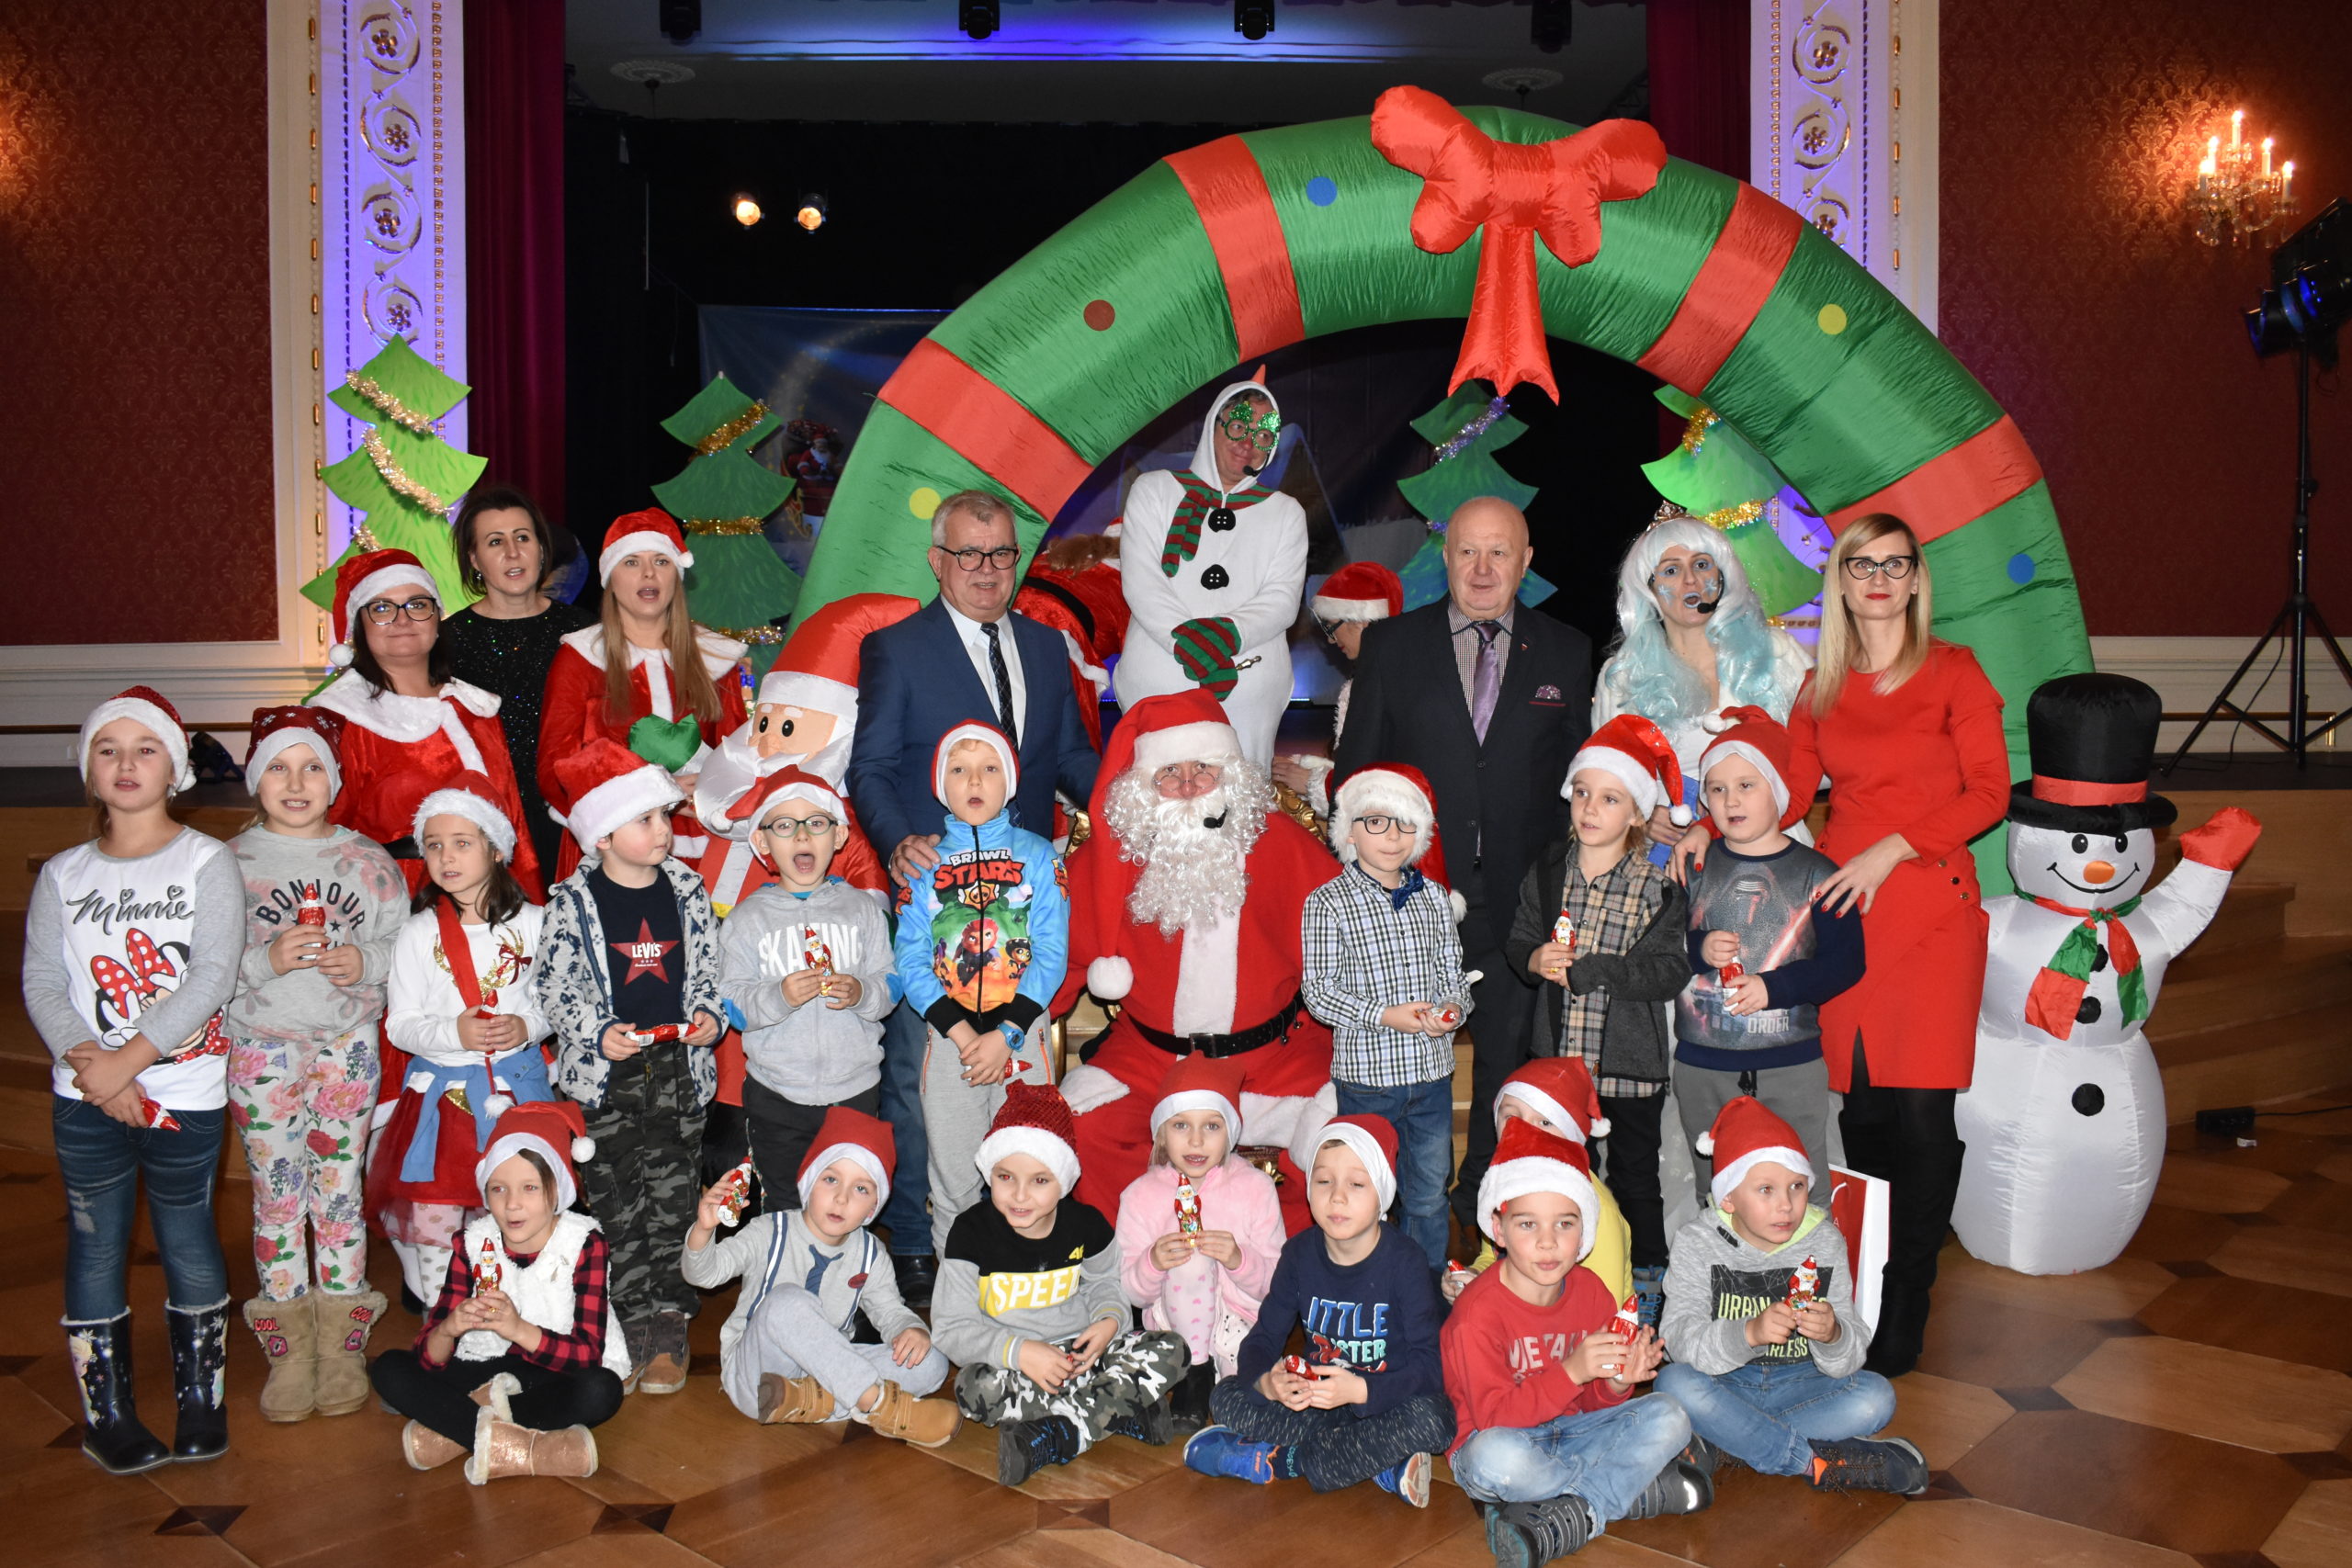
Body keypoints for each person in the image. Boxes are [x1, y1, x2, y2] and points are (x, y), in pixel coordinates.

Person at [1676, 515, 2007, 1376]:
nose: (1879, 579)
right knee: (1861, 1114)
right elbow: (1784, 793)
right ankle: (1865, 1287)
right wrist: (1711, 825)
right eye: (1862, 564)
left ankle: (1909, 1297)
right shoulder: (1821, 687)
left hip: (1931, 907)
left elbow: (1991, 792)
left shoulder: (1955, 671)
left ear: (1916, 577)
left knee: (1923, 1114)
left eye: (1896, 564)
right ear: (1843, 580)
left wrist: (1894, 847)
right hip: (1845, 911)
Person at [851, 488, 1102, 1305]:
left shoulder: (1047, 646)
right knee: (918, 1080)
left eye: (1001, 554)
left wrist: (1128, 801)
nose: (988, 570)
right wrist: (899, 840)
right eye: (969, 554)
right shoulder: (897, 649)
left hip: (1027, 907)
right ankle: (918, 1244)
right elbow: (871, 767)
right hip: (938, 905)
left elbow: (1070, 756)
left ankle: (1019, 1242)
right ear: (938, 560)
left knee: (1017, 1082)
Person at [1331, 496, 1592, 1240]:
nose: (1482, 569)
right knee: (1405, 1069)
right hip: (1410, 904)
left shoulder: (1567, 651)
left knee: (1505, 1066)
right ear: (1445, 558)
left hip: (1519, 908)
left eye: (1499, 552)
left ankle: (1481, 1208)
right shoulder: (1391, 645)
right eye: (1468, 552)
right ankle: (1396, 1220)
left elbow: (1579, 782)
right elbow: (1355, 778)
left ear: (1525, 561)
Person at [25, 688, 241, 1472]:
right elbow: (44, 982)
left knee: (188, 1235)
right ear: (88, 770)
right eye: (107, 748)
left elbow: (211, 974)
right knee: (94, 1244)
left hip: (184, 1095)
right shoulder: (63, 872)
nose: (125, 762)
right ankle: (106, 1414)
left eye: (145, 748)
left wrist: (130, 1060)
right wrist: (97, 1068)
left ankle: (201, 1400)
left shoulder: (207, 861)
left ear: (175, 768)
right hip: (86, 1096)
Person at [1055, 691, 1339, 1235]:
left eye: (1203, 769)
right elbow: (1059, 960)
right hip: (1149, 1060)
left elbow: (1344, 944)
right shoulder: (1113, 857)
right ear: (1144, 787)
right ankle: (1135, 1264)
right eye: (1169, 773)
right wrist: (1009, 1027)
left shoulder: (1282, 843)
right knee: (1082, 1128)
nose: (1188, 786)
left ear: (1229, 774)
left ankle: (1281, 1270)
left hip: (1272, 1057)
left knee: (1333, 1137)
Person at [225, 705, 405, 1422]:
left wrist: (366, 961)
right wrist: (263, 960)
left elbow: (403, 947)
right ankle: (290, 1349)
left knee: (337, 1194)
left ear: (334, 781)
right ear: (254, 779)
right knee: (277, 1196)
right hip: (261, 1047)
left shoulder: (369, 862)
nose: (295, 782)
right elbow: (204, 964)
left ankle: (341, 1342)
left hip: (345, 1045)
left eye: (311, 768)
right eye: (278, 766)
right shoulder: (227, 863)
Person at [537, 739, 726, 1396]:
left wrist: (707, 1014)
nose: (663, 830)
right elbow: (553, 985)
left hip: (677, 1072)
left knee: (672, 1198)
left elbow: (709, 969)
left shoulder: (688, 889)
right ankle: (629, 1313)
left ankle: (668, 1317)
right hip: (607, 1080)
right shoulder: (572, 901)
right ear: (603, 835)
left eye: (665, 815)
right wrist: (594, 1032)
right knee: (618, 1199)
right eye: (645, 819)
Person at [1443, 1119, 1711, 1564]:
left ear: (1583, 1231)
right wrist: (1572, 1370)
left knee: (1670, 1415)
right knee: (1497, 1458)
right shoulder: (1476, 1313)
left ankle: (1574, 1510)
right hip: (1496, 1442)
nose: (1548, 1242)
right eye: (1527, 1224)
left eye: (1564, 1224)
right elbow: (1493, 1420)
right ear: (1499, 1228)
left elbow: (1590, 1404)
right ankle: (1627, 1491)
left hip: (1570, 1435)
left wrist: (1618, 1382)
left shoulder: (1591, 1293)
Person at [1505, 715, 1694, 1328]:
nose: (1591, 808)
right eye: (1582, 792)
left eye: (1610, 798)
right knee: (1563, 1178)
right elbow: (1519, 939)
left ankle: (1648, 1289)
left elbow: (1669, 971)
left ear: (1637, 813)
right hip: (1559, 1070)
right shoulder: (1548, 871)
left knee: (1636, 1179)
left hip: (1629, 1071)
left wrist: (1601, 971)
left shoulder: (1657, 888)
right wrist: (1533, 958)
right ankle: (1571, 1287)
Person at [1657, 1097, 1928, 1495]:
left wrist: (1834, 1335)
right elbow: (1678, 1339)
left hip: (1802, 1383)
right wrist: (1748, 1333)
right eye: (1766, 1190)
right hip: (1723, 1383)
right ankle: (1813, 1462)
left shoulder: (1825, 1241)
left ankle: (1725, 1443)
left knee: (1875, 1397)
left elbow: (1851, 1356)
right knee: (1673, 1383)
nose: (1785, 1205)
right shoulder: (1696, 1242)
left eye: (1797, 1187)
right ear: (1729, 1197)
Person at [1182, 1116, 1454, 1506]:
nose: (1337, 1197)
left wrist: (1362, 1390)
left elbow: (1430, 1368)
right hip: (1316, 1403)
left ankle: (1282, 1461)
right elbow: (1262, 1340)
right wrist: (1267, 1383)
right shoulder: (1298, 1255)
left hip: (1384, 1403)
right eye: (1324, 1181)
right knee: (1225, 1395)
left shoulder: (1405, 1261)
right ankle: (1378, 1462)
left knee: (1436, 1420)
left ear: (1382, 1193)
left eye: (1356, 1184)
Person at [932, 1084, 1190, 1485]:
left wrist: (1109, 1322)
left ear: (1064, 1181)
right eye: (1005, 1177)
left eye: (1039, 1180)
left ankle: (1061, 1434)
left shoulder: (1087, 1224)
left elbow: (1106, 1285)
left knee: (1173, 1350)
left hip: (1086, 1357)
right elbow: (951, 1329)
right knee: (972, 1388)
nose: (1020, 1195)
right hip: (1017, 1367)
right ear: (989, 1173)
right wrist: (1020, 1352)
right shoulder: (969, 1233)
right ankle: (1116, 1409)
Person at [367, 773, 554, 1311]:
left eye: (462, 843)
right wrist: (454, 1032)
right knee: (436, 1219)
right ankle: (443, 1318)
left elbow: (556, 1002)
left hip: (517, 1098)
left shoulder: (538, 924)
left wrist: (528, 1027)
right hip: (441, 1107)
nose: (446, 857)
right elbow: (401, 1024)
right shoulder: (418, 932)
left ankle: (512, 1320)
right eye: (433, 845)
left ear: (496, 850)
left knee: (513, 1217)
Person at [369, 1100, 628, 1483]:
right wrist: (448, 1329)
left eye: (529, 1188)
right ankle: (526, 1449)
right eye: (498, 1189)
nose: (512, 1204)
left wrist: (517, 1329)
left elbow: (586, 1356)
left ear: (557, 1190)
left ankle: (458, 1429)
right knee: (388, 1367)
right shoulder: (473, 1242)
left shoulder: (584, 1243)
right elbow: (427, 1357)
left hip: (549, 1372)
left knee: (600, 1390)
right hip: (481, 1368)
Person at [682, 1105, 956, 1442]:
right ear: (809, 1183)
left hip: (827, 1372)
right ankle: (877, 1404)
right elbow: (703, 1275)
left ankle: (812, 1401)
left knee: (931, 1362)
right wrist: (703, 1230)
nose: (841, 1198)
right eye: (830, 1180)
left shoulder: (871, 1253)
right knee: (787, 1300)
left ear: (873, 1208)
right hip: (757, 1376)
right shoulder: (770, 1230)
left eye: (861, 1189)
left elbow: (889, 1311)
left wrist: (910, 1329)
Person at [1675, 706, 1862, 1193]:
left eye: (1746, 785)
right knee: (1716, 1188)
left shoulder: (1819, 873)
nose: (1731, 800)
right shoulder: (1691, 868)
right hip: (1702, 1063)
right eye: (1717, 789)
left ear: (1777, 790)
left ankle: (1812, 1248)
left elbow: (1846, 962)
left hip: (1791, 1064)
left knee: (1802, 1183)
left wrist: (1775, 988)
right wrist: (1697, 948)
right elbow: (1655, 948)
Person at [896, 722, 1069, 1254]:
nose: (974, 780)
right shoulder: (923, 865)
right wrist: (964, 1035)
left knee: (1029, 1169)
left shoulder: (1039, 856)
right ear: (940, 785)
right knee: (954, 1179)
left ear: (1009, 783)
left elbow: (1052, 951)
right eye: (959, 769)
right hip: (952, 1042)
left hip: (1023, 1036)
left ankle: (1028, 1279)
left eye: (989, 768)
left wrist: (1007, 1033)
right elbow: (910, 959)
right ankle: (957, 1293)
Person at [1299, 763, 1475, 1272]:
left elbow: (1453, 976)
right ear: (1349, 832)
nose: (1392, 837)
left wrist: (1452, 1010)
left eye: (1405, 824)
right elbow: (1319, 994)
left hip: (1431, 1076)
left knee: (1429, 1193)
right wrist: (1384, 1015)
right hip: (1368, 1081)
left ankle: (1422, 1288)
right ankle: (1367, 1285)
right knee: (1364, 1193)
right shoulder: (1328, 903)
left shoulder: (1435, 899)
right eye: (1376, 822)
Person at [311, 547, 544, 897]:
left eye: (418, 605)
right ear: (360, 626)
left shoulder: (476, 708)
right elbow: (320, 836)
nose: (402, 619)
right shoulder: (339, 718)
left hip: (489, 904)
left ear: (437, 619)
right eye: (381, 608)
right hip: (389, 903)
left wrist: (528, 907)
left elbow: (515, 826)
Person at [715, 766, 896, 1202]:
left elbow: (890, 985)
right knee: (784, 1201)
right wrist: (778, 996)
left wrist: (861, 993)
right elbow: (733, 1003)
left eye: (816, 823)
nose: (801, 835)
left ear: (839, 836)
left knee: (847, 1202)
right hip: (776, 1093)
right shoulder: (746, 919)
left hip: (854, 1089)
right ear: (762, 842)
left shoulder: (863, 910)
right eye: (784, 825)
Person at [538, 508, 748, 881]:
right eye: (632, 562)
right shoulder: (580, 658)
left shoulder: (717, 657)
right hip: (611, 853)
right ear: (610, 578)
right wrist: (659, 792)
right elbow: (555, 770)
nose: (648, 573)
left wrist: (709, 794)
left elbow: (740, 757)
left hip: (705, 848)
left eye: (661, 561)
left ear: (677, 576)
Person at [1594, 509, 1813, 859]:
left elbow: (1825, 758)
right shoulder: (1622, 678)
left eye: (1701, 565)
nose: (1691, 581)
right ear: (1649, 589)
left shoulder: (1777, 653)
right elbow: (1603, 782)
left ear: (1722, 576)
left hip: (1772, 859)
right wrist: (1640, 815)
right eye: (1671, 570)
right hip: (1666, 864)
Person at [1114, 376, 1309, 765]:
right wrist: (1186, 641)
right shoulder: (1155, 490)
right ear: (1213, 426)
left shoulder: (1286, 512)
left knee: (1241, 793)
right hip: (1159, 680)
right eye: (1238, 426)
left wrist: (1227, 635)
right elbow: (1142, 580)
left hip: (1248, 690)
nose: (1247, 443)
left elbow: (1282, 599)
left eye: (1263, 436)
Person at [1114, 1055, 1285, 1431]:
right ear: (1161, 1133)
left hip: (1243, 1324)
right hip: (1174, 1329)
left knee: (1252, 1404)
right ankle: (1195, 1373)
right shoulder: (1140, 1196)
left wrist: (1240, 1260)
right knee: (1189, 1260)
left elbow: (1279, 1286)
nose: (1196, 1140)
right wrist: (1152, 1263)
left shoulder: (1255, 1188)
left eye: (1211, 1126)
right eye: (1180, 1125)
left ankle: (1226, 1386)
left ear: (1230, 1133)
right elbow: (1130, 1292)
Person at [437, 485, 594, 875]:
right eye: (495, 542)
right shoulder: (448, 641)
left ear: (541, 549)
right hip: (490, 824)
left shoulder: (585, 630)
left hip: (575, 818)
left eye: (522, 537)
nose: (512, 552)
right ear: (475, 559)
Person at [1442, 1056, 1634, 1304]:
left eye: (1545, 1122)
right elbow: (1494, 1256)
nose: (1524, 1130)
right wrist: (1473, 1277)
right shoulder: (1505, 1184)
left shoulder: (1596, 1210)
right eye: (1511, 1118)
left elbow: (1604, 1306)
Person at [1273, 559, 1403, 816]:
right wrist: (1302, 766)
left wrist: (1314, 784)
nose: (1331, 640)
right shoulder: (1387, 676)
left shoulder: (1385, 686)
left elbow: (1384, 782)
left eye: (1331, 626)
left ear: (1360, 622)